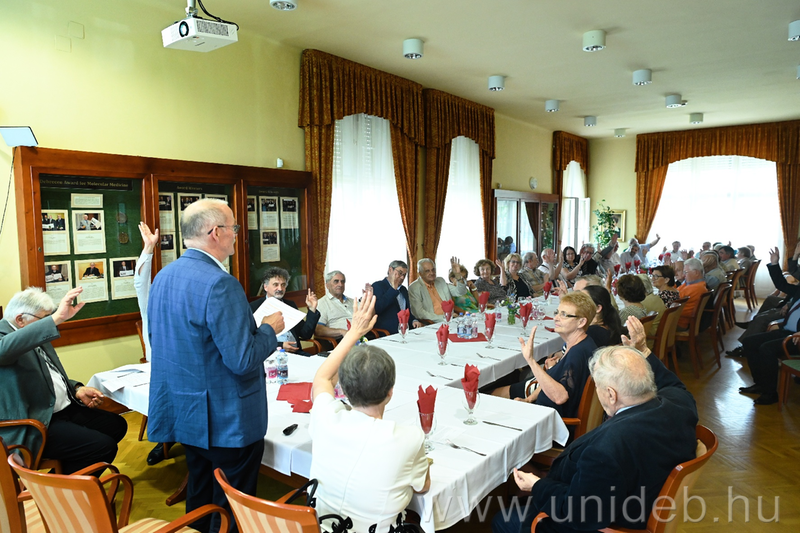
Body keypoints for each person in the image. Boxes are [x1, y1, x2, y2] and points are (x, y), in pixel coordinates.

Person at [148, 198, 284, 533]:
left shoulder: (163, 276)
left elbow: (162, 340)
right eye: (234, 227)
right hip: (227, 419)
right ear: (215, 232)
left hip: (187, 411)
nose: (237, 234)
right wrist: (269, 330)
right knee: (232, 507)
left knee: (200, 491)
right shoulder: (220, 283)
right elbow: (242, 360)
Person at [493, 317, 698, 533]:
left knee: (502, 520)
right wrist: (643, 351)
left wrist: (536, 486)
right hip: (639, 498)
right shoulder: (680, 405)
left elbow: (581, 513)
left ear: (611, 394)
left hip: (606, 521)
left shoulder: (606, 450)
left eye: (598, 386)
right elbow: (673, 385)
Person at [309, 292, 430, 533]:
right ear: (390, 392)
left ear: (344, 390)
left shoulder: (326, 417)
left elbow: (322, 378)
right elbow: (423, 486)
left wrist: (354, 332)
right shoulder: (409, 437)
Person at [0, 286, 128, 474]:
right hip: (36, 423)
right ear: (20, 319)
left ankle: (58, 482)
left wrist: (76, 388)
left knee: (116, 425)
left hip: (60, 411)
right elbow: (4, 350)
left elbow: (50, 375)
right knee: (103, 446)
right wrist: (56, 318)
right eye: (44, 319)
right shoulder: (5, 338)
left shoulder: (32, 332)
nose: (48, 324)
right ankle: (54, 489)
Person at [494, 292, 598, 420]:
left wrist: (531, 360)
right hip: (543, 412)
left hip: (549, 421)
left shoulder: (577, 353)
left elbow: (560, 397)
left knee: (489, 400)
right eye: (557, 312)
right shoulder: (581, 344)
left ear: (581, 322)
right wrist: (529, 399)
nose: (556, 318)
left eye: (564, 314)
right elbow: (554, 381)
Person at [738, 247, 800, 405]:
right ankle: (760, 384)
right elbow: (782, 284)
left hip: (796, 338)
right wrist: (774, 264)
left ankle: (770, 393)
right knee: (750, 342)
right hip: (787, 332)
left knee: (767, 349)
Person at [250, 267, 319, 356]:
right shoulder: (254, 307)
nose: (280, 288)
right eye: (275, 285)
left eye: (283, 285)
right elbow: (253, 339)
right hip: (270, 355)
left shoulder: (290, 304)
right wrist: (280, 345)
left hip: (296, 353)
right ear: (265, 287)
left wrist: (312, 309)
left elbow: (305, 334)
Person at [408, 257, 467, 323]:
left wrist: (458, 276)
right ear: (420, 273)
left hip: (450, 320)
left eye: (433, 270)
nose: (432, 273)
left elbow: (460, 292)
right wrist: (444, 317)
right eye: (427, 271)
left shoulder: (440, 281)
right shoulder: (414, 287)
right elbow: (419, 313)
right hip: (432, 323)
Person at [372, 260, 423, 334]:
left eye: (404, 275)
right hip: (387, 332)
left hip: (407, 330)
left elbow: (406, 311)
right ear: (390, 270)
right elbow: (377, 308)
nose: (402, 277)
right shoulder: (377, 286)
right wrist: (393, 290)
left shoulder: (403, 289)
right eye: (400, 273)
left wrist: (414, 320)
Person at [314, 270, 354, 340]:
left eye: (342, 281)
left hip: (361, 335)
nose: (340, 284)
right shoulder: (321, 304)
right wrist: (341, 331)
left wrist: (369, 298)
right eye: (336, 281)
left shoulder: (352, 301)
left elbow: (368, 317)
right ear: (327, 285)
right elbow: (318, 330)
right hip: (340, 340)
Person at [677, 258, 708, 330]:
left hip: (678, 322)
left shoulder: (696, 288)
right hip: (677, 319)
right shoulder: (695, 284)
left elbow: (672, 299)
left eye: (685, 272)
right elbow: (676, 292)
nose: (683, 275)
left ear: (696, 272)